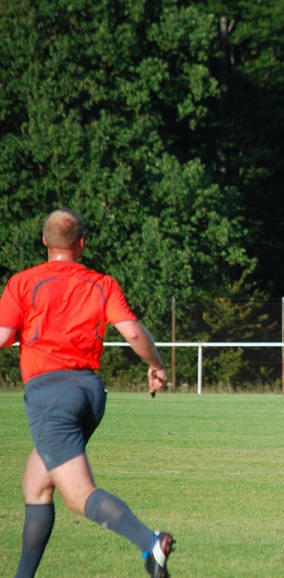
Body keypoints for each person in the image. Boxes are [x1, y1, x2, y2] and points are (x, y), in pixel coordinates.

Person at [0, 209, 175, 578]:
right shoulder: (101, 283)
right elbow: (132, 332)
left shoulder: (22, 282)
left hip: (51, 395)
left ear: (45, 242)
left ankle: (150, 543)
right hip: (90, 393)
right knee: (36, 484)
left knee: (78, 495)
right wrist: (157, 366)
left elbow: (2, 336)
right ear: (81, 243)